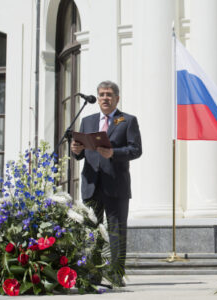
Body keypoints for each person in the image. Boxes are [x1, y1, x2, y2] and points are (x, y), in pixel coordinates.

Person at [71, 80, 142, 286]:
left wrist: (114, 153)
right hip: (92, 184)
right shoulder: (88, 121)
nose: (104, 98)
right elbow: (81, 153)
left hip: (116, 185)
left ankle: (116, 275)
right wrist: (76, 152)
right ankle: (93, 274)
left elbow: (135, 150)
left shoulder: (127, 120)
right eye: (101, 94)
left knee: (116, 232)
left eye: (109, 94)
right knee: (92, 232)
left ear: (117, 98)